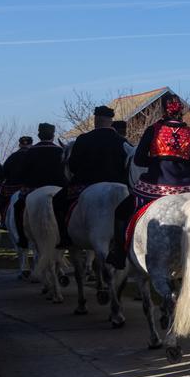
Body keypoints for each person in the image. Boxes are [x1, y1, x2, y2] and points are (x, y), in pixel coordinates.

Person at [116, 98, 190, 266]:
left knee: (122, 212)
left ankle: (119, 254)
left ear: (163, 111)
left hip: (155, 186)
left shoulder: (153, 130)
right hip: (186, 189)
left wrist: (156, 161)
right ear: (180, 110)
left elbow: (138, 160)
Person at [66, 106, 131, 264]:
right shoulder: (122, 142)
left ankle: (63, 238)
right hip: (119, 185)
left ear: (96, 120)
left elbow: (73, 165)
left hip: (85, 185)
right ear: (111, 121)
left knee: (58, 202)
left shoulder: (82, 139)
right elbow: (128, 166)